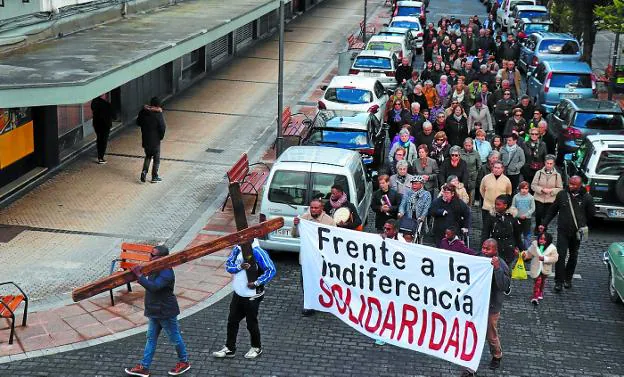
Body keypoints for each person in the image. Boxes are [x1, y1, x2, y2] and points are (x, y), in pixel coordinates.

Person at [125, 245, 190, 377]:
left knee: (174, 338)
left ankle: (184, 362)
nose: (150, 257)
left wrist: (139, 276)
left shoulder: (166, 272)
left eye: (153, 255)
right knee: (151, 338)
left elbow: (154, 287)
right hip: (154, 311)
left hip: (165, 311)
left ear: (162, 257)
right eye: (150, 254)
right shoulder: (154, 267)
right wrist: (140, 274)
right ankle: (144, 367)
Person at [213, 242, 276, 359]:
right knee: (232, 321)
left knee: (251, 323)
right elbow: (228, 266)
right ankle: (230, 348)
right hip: (238, 293)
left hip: (252, 295)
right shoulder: (237, 248)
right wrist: (239, 267)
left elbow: (271, 270)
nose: (239, 240)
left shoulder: (257, 252)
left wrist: (257, 282)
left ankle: (256, 347)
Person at [460, 238, 511, 377]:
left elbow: (504, 286)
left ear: (495, 250)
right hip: (475, 305)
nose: (484, 251)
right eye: (483, 247)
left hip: (491, 307)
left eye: (487, 249)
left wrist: (497, 269)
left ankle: (497, 355)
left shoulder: (501, 264)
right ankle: (469, 368)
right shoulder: (478, 258)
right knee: (472, 335)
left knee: (490, 335)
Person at [540, 176, 596, 292]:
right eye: (570, 183)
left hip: (577, 232)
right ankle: (558, 282)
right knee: (560, 255)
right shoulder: (562, 195)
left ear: (580, 185)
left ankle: (568, 278)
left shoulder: (587, 198)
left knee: (573, 255)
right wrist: (544, 223)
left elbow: (591, 214)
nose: (571, 186)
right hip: (563, 230)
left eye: (574, 184)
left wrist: (583, 224)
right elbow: (553, 210)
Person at [292, 198, 335, 316]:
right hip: (306, 259)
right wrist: (295, 225)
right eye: (312, 207)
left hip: (321, 259)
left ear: (322, 208)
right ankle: (309, 304)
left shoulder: (330, 221)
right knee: (305, 281)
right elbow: (294, 235)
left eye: (316, 208)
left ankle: (322, 301)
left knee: (321, 281)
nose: (313, 210)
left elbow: (333, 241)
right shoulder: (303, 218)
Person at [483, 195, 524, 269]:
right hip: (495, 248)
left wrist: (522, 249)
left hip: (509, 249)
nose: (496, 206)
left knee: (507, 271)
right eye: (495, 204)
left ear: (505, 206)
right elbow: (485, 233)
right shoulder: (491, 217)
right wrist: (483, 249)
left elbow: (517, 235)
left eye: (498, 204)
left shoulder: (512, 217)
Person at [521, 232, 558, 305]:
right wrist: (523, 255)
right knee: (538, 281)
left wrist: (545, 258)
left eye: (544, 239)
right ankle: (535, 296)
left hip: (545, 268)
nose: (542, 241)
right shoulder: (534, 246)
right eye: (541, 239)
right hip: (536, 267)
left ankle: (540, 292)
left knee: (542, 281)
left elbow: (555, 258)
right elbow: (529, 253)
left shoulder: (552, 248)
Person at [479, 161, 512, 241]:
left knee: (498, 230)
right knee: (485, 230)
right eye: (495, 167)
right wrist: (487, 199)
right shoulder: (486, 178)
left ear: (502, 169)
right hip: (487, 208)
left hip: (500, 210)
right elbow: (482, 190)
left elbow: (508, 194)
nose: (497, 169)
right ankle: (483, 247)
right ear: (492, 168)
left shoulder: (507, 180)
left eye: (499, 168)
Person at [137, 97, 166, 183]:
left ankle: (144, 172)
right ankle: (154, 176)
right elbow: (162, 127)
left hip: (146, 139)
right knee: (156, 159)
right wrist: (160, 137)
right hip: (155, 141)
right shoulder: (158, 114)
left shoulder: (143, 112)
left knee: (148, 156)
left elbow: (138, 122)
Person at [531, 155, 563, 231]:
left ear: (553, 164)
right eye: (547, 163)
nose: (549, 165)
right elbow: (533, 185)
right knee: (538, 214)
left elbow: (560, 188)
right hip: (539, 197)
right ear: (545, 163)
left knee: (546, 215)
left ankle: (544, 228)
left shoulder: (557, 175)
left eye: (550, 163)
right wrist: (541, 189)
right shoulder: (539, 173)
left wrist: (551, 190)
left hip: (550, 199)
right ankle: (537, 227)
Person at [511, 181, 535, 249]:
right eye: (523, 188)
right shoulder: (516, 197)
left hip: (527, 219)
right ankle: (515, 247)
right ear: (520, 189)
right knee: (516, 233)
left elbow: (533, 208)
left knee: (527, 234)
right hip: (517, 218)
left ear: (528, 189)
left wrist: (526, 214)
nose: (524, 190)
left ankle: (526, 249)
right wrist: (516, 214)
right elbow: (513, 206)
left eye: (526, 188)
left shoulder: (531, 198)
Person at [91, 96, 113, 164]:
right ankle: (101, 157)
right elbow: (113, 115)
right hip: (105, 125)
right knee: (103, 140)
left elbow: (93, 110)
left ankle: (99, 154)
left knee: (99, 139)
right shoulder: (107, 104)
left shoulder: (94, 101)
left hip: (97, 124)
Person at [460, 138, 481, 203]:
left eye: (469, 145)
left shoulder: (476, 153)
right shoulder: (460, 152)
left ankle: (471, 204)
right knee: (463, 188)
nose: (468, 147)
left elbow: (479, 164)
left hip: (473, 174)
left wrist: (476, 172)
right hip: (463, 174)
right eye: (466, 145)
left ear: (472, 145)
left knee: (472, 189)